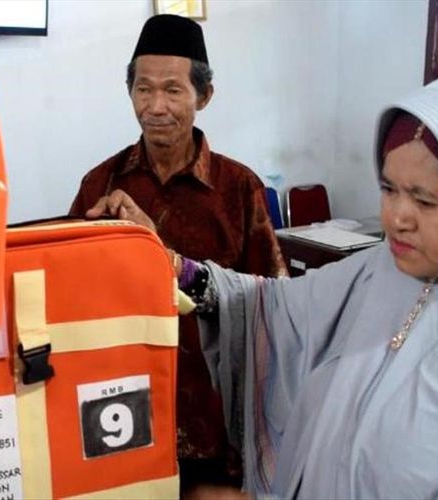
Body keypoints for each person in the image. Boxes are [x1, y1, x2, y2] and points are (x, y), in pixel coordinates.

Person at [88, 70, 438, 498]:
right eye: (388, 188)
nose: (396, 217)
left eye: (424, 200)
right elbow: (272, 306)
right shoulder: (374, 272)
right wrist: (172, 265)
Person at [70, 13, 287, 493]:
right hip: (121, 407)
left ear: (203, 96)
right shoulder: (100, 184)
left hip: (215, 414)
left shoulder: (239, 189)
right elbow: (71, 298)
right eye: (143, 89)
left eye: (172, 90)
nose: (155, 106)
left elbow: (278, 304)